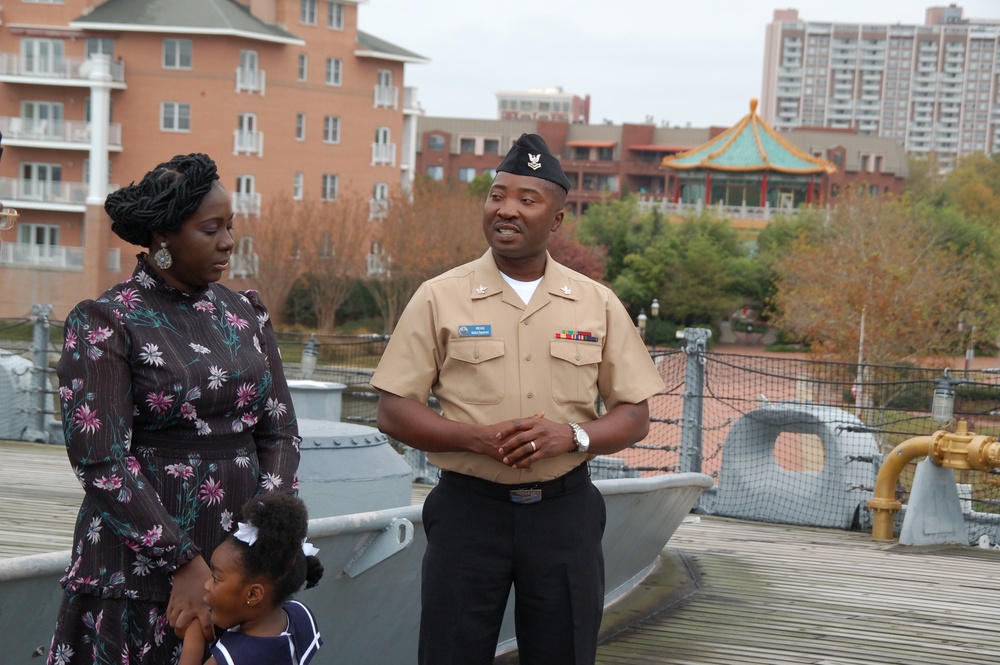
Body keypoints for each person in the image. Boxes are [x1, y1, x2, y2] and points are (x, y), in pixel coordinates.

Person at [371, 133, 665, 665]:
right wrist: (474, 439)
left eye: (527, 200)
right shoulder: (439, 296)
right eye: (497, 195)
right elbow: (393, 408)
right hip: (467, 513)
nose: (506, 209)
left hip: (564, 515)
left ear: (556, 220)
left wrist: (572, 436)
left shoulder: (595, 303)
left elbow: (634, 414)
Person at [48, 153, 301, 665]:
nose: (228, 242)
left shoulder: (247, 313)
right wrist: (183, 563)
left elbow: (279, 432)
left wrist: (258, 548)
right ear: (164, 237)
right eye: (211, 229)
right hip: (138, 565)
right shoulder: (105, 321)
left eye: (230, 227)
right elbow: (100, 458)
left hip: (239, 571)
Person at [180, 493, 324, 665]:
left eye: (216, 578)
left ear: (253, 594)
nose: (206, 584)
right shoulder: (301, 615)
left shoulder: (229, 660)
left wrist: (194, 636)